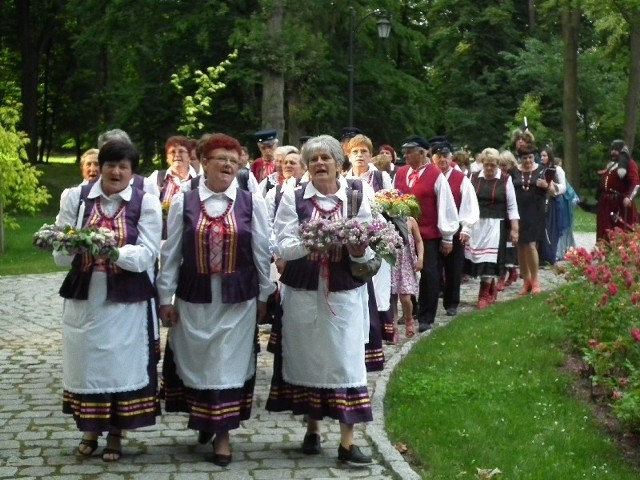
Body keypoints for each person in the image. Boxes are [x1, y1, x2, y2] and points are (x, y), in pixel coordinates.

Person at [156, 133, 274, 467]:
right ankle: (205, 419)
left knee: (228, 363)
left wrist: (265, 293)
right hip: (195, 299)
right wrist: (166, 296)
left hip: (238, 300)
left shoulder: (252, 202)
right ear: (203, 162)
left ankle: (222, 436)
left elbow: (261, 251)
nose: (226, 164)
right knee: (200, 360)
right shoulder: (184, 200)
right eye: (220, 158)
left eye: (233, 160)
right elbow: (172, 252)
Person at [266, 135, 376, 466]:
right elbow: (280, 244)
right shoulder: (293, 196)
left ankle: (347, 441)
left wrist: (357, 248)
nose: (319, 163)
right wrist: (312, 241)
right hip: (304, 290)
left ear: (339, 163)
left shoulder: (355, 194)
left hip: (344, 289)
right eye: (313, 159)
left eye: (326, 157)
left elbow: (369, 239)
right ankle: (312, 428)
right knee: (308, 355)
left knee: (345, 358)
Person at [53, 140, 162, 462]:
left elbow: (146, 254)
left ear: (132, 171)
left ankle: (116, 431)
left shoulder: (146, 202)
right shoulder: (76, 198)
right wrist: (73, 244)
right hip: (86, 296)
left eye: (123, 166)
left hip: (125, 300)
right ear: (100, 166)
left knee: (120, 364)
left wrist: (112, 251)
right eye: (111, 164)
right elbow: (60, 255)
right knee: (89, 364)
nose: (116, 171)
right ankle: (90, 428)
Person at [393, 135, 459, 332]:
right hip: (404, 233)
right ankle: (410, 312)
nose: (405, 155)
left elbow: (446, 206)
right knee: (406, 273)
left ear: (422, 153)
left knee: (429, 274)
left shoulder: (435, 175)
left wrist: (447, 237)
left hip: (428, 235)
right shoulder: (401, 173)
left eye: (409, 151)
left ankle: (426, 317)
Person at [345, 133, 394, 357]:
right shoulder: (343, 179)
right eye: (355, 152)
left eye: (364, 151)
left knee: (379, 284)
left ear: (370, 154)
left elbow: (392, 204)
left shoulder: (380, 177)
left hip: (376, 234)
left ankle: (381, 329)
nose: (360, 156)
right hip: (352, 240)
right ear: (348, 155)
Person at [465, 148, 520, 308]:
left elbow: (512, 206)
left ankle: (483, 293)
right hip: (477, 224)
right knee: (479, 259)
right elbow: (467, 202)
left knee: (489, 259)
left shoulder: (505, 179)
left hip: (496, 224)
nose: (489, 169)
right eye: (487, 165)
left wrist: (515, 228)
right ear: (482, 163)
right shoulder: (473, 177)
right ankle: (491, 287)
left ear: (498, 165)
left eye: (493, 165)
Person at [432, 141, 479, 317]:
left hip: (455, 228)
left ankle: (451, 302)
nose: (442, 159)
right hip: (433, 228)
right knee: (431, 269)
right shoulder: (430, 176)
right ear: (432, 158)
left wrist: (466, 227)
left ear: (451, 158)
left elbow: (469, 203)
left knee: (453, 267)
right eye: (438, 156)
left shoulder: (460, 179)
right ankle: (430, 299)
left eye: (445, 156)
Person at [510, 143, 551, 294]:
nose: (527, 160)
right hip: (517, 212)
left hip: (535, 211)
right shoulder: (514, 171)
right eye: (524, 158)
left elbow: (553, 190)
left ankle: (535, 280)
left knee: (531, 245)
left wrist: (546, 185)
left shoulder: (542, 170)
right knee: (520, 246)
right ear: (519, 158)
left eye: (530, 157)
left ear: (535, 157)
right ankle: (525, 280)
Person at [580, 139, 639, 241]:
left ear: (621, 150)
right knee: (604, 230)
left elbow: (635, 183)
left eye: (616, 150)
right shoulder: (611, 165)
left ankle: (620, 254)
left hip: (620, 204)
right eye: (612, 149)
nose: (613, 152)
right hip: (606, 203)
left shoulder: (629, 163)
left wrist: (629, 197)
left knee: (619, 231)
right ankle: (604, 253)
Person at [148, 136, 199, 238]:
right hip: (162, 237)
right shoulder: (157, 178)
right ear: (167, 158)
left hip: (190, 237)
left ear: (189, 157)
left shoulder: (199, 181)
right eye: (172, 152)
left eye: (181, 151)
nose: (177, 155)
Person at [97, 129, 160, 197]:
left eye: (117, 151)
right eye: (106, 152)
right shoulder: (87, 189)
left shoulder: (146, 186)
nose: (112, 155)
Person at [390, 215, 423, 337]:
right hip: (391, 263)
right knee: (391, 298)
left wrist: (420, 257)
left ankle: (409, 319)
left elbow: (418, 240)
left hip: (406, 263)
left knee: (405, 298)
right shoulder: (385, 220)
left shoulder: (410, 221)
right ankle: (393, 329)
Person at [538, 147, 566, 265]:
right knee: (541, 228)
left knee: (550, 229)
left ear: (550, 156)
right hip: (540, 201)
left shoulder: (557, 169)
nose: (543, 158)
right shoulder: (539, 169)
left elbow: (563, 187)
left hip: (552, 201)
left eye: (545, 155)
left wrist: (552, 187)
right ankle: (540, 256)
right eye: (541, 156)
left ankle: (549, 256)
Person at [497, 150, 519, 288]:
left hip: (512, 215)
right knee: (502, 248)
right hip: (501, 215)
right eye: (501, 165)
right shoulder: (499, 176)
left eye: (505, 165)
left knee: (509, 246)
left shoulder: (514, 177)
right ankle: (509, 271)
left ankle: (508, 272)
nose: (503, 167)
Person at [554, 156, 579, 259]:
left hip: (564, 205)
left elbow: (569, 190)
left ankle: (566, 251)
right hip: (562, 205)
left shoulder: (561, 176)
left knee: (565, 230)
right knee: (564, 229)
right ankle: (563, 251)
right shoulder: (557, 173)